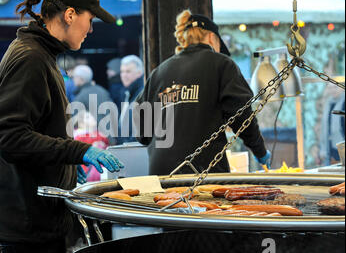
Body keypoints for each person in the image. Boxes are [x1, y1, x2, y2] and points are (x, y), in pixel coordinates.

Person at [0, 0, 124, 253]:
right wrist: (78, 152)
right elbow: (8, 137)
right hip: (27, 225)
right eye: (90, 18)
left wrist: (68, 174)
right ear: (70, 14)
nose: (90, 28)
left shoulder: (43, 55)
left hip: (39, 219)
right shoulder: (30, 58)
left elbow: (39, 133)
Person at [134, 10, 271, 175]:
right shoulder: (222, 64)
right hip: (202, 173)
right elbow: (243, 117)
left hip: (161, 174)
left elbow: (142, 131)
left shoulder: (159, 72)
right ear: (212, 38)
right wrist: (260, 152)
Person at [72, 64, 114, 140]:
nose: (73, 79)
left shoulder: (80, 97)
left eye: (74, 77)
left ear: (80, 79)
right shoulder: (103, 91)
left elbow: (73, 121)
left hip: (93, 139)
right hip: (110, 137)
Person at [117, 54, 144, 144]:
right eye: (122, 72)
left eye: (128, 71)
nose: (124, 75)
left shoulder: (142, 92)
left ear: (139, 73)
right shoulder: (125, 92)